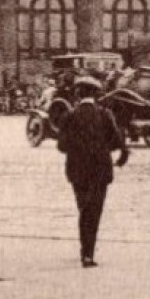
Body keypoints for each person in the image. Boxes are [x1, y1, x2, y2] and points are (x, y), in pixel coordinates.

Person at [55, 76, 127, 268]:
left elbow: (61, 146)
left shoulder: (68, 116)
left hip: (77, 170)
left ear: (78, 95)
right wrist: (106, 150)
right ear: (96, 94)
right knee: (94, 210)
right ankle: (88, 253)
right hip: (100, 169)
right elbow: (117, 140)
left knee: (83, 207)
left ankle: (85, 249)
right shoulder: (105, 114)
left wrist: (77, 148)